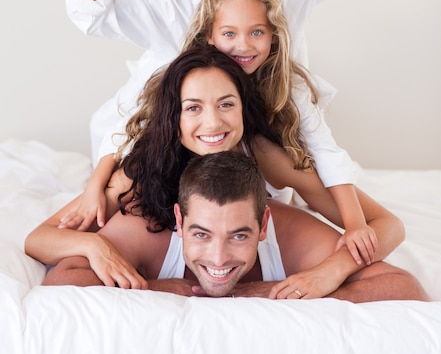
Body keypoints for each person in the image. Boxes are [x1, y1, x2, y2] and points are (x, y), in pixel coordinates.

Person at [65, 0, 355, 224]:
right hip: (186, 127)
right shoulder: (165, 3)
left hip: (256, 121)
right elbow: (89, 14)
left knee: (271, 181)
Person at [26, 48, 406, 293]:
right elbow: (39, 239)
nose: (212, 123)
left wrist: (334, 270)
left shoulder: (266, 155)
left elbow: (387, 224)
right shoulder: (145, 169)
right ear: (174, 117)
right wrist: (93, 244)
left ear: (243, 108)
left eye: (226, 104)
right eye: (193, 108)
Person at [64, 0, 374, 264]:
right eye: (229, 33)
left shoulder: (270, 135)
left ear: (273, 37)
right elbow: (128, 132)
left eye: (257, 32)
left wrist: (354, 227)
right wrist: (95, 187)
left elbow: (325, 150)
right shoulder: (182, 84)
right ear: (209, 37)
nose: (243, 45)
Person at [32, 152, 429, 302]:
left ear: (262, 226)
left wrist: (276, 290)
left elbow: (402, 286)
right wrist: (152, 288)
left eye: (239, 235)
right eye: (201, 234)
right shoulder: (147, 227)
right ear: (179, 221)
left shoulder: (289, 233)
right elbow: (64, 280)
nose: (218, 257)